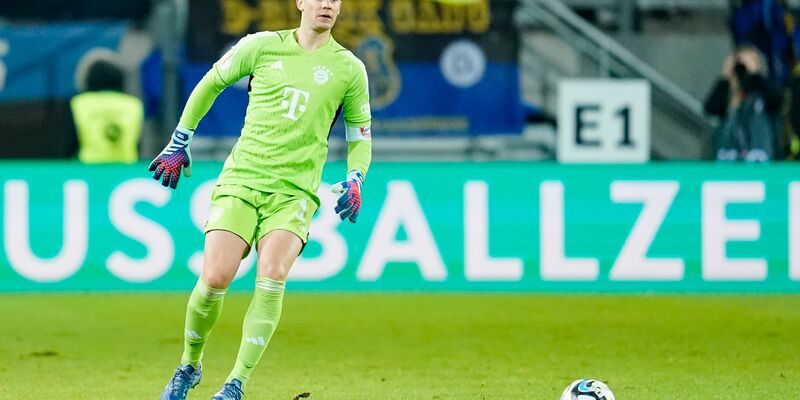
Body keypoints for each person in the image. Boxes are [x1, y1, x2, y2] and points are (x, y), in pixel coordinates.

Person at [151, 0, 372, 398]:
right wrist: (179, 140)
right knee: (216, 277)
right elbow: (210, 83)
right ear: (300, 3)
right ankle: (189, 366)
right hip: (243, 179)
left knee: (272, 273)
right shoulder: (261, 46)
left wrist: (356, 177)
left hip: (295, 192)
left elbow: (360, 138)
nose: (327, 4)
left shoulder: (350, 69)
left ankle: (235, 383)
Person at [704, 46, 783, 160]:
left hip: (763, 161)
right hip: (730, 162)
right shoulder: (728, 96)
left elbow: (777, 100)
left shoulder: (764, 93)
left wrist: (755, 74)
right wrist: (725, 77)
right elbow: (710, 108)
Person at [70, 59, 143, 163]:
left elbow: (70, 142)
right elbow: (138, 142)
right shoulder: (133, 105)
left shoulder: (80, 103)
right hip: (125, 169)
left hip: (89, 169)